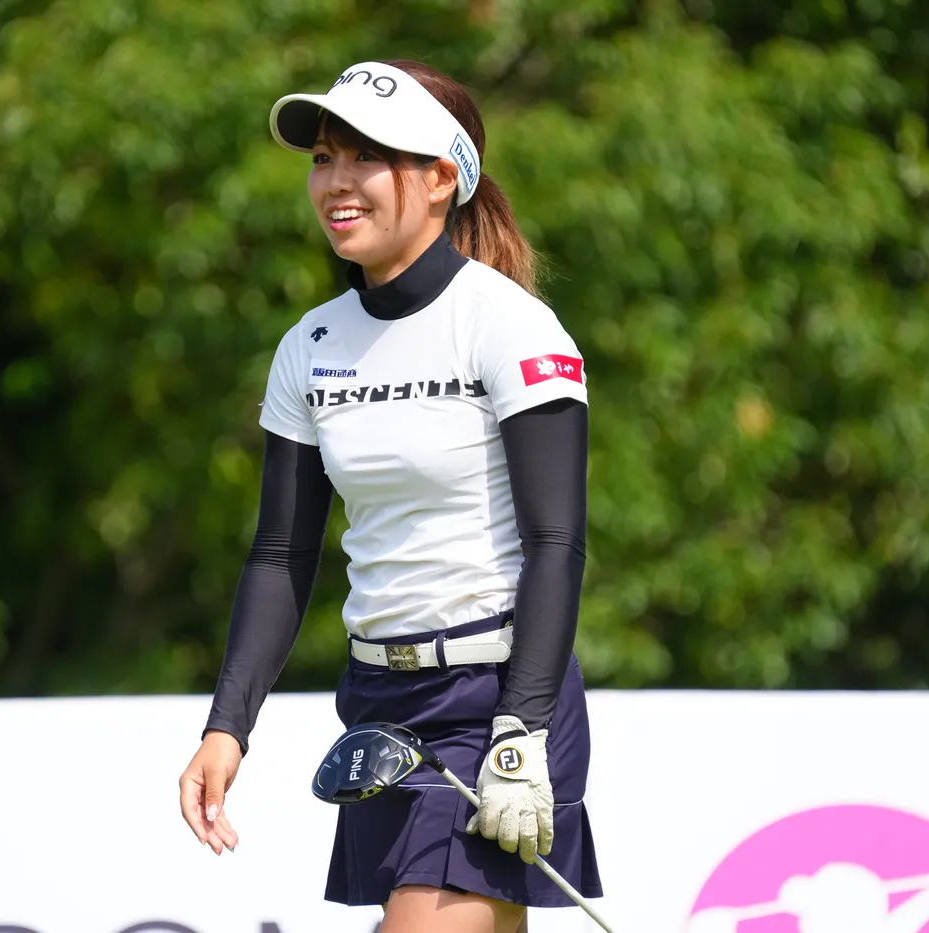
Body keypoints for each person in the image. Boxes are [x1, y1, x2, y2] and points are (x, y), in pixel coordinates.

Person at [177, 59, 602, 933]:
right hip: (380, 705)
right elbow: (281, 554)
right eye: (323, 158)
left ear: (441, 178)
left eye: (366, 157)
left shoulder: (510, 325)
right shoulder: (310, 346)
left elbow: (556, 541)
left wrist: (519, 728)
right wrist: (228, 726)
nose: (336, 182)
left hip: (499, 698)